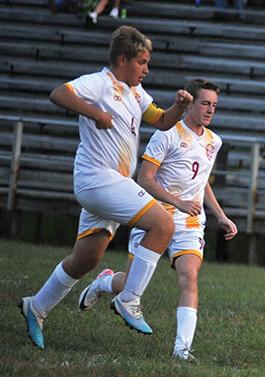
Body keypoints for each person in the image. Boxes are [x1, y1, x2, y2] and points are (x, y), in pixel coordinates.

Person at [20, 25, 192, 349]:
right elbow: (59, 93)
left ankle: (36, 306)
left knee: (86, 259)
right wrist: (94, 112)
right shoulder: (99, 83)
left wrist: (180, 106)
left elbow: (163, 120)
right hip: (98, 179)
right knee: (164, 224)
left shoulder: (136, 93)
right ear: (123, 59)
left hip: (112, 184)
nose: (146, 69)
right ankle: (129, 300)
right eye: (142, 62)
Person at [77, 79, 238, 362]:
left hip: (190, 221)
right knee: (130, 284)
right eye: (205, 103)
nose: (210, 110)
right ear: (190, 103)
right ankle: (104, 283)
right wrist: (176, 202)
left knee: (189, 276)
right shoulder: (167, 134)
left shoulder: (214, 141)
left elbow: (201, 183)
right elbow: (145, 179)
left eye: (214, 105)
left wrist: (220, 215)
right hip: (155, 218)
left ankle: (182, 350)